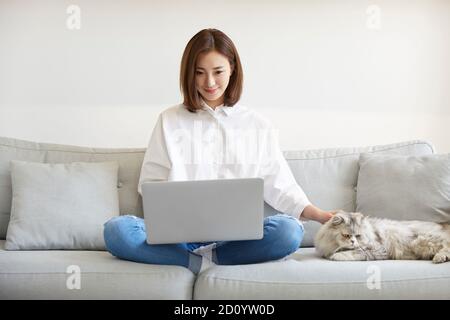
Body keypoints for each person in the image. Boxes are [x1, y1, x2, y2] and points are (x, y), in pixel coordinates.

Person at [103, 28, 336, 274]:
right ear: (188, 74)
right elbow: (149, 185)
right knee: (116, 231)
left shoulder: (256, 124)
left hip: (237, 240)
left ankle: (203, 259)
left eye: (218, 72)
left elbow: (280, 185)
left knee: (289, 232)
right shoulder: (169, 120)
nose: (210, 83)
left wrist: (319, 214)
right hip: (180, 238)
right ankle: (196, 259)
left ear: (233, 68)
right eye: (200, 73)